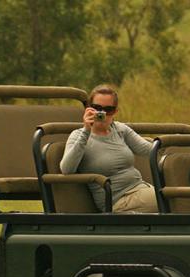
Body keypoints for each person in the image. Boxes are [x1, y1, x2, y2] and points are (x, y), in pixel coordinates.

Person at [60, 84, 157, 213]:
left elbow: (148, 150)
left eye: (108, 110)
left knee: (173, 196)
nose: (102, 113)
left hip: (140, 189)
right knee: (169, 200)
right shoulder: (78, 135)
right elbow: (67, 169)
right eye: (97, 108)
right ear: (89, 109)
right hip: (116, 200)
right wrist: (86, 131)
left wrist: (168, 145)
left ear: (115, 112)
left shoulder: (120, 129)